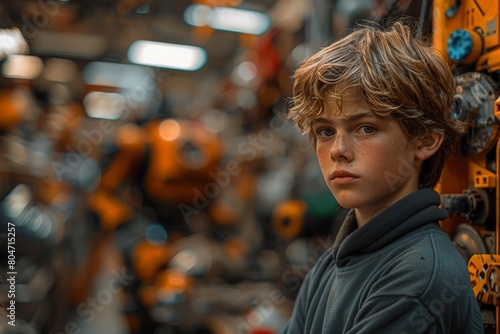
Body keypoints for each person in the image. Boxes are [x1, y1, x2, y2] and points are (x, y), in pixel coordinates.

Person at [281, 20, 484, 333]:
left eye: (365, 128)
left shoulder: (419, 278)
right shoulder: (330, 266)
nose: (338, 150)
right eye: (325, 131)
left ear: (426, 140)